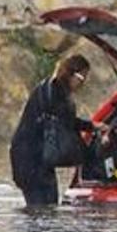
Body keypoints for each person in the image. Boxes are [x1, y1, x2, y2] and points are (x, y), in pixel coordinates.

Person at [9, 54, 109, 207]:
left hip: (34, 157)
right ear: (72, 74)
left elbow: (64, 121)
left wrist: (92, 126)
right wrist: (92, 129)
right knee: (43, 208)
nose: (82, 84)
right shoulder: (55, 92)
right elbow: (65, 122)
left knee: (45, 208)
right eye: (82, 78)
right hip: (30, 159)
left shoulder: (50, 88)